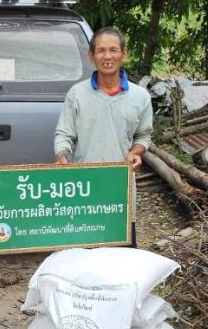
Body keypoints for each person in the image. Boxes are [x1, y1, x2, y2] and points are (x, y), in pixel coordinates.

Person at [54, 27, 152, 246]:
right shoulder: (76, 94)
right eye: (101, 50)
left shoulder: (140, 96)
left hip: (121, 191)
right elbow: (64, 134)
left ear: (124, 54)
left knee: (121, 262)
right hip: (82, 190)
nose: (107, 56)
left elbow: (143, 136)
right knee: (84, 260)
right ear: (91, 56)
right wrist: (62, 155)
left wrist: (136, 153)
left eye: (113, 50)